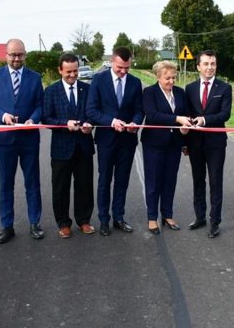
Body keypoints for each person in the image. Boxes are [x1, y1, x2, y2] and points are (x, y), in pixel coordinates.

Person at [0, 38, 45, 244]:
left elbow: (40, 105)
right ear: (6, 55)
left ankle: (35, 223)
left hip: (29, 139)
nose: (16, 58)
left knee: (32, 182)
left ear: (25, 54)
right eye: (12, 55)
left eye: (20, 54)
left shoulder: (35, 78)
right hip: (5, 139)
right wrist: (2, 116)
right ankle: (6, 226)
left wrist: (33, 119)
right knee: (6, 183)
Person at [85, 46, 144, 236]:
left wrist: (135, 122)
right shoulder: (99, 80)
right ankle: (104, 220)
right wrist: (111, 122)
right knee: (104, 180)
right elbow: (92, 110)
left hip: (127, 140)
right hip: (106, 140)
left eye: (127, 68)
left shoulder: (135, 83)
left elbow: (139, 109)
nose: (123, 71)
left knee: (122, 181)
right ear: (112, 61)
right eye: (120, 67)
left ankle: (119, 217)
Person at [42, 53, 96, 239]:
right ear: (60, 70)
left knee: (84, 185)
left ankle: (84, 220)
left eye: (75, 71)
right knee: (60, 187)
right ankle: (63, 223)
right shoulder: (51, 91)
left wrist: (89, 125)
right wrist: (65, 123)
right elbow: (47, 119)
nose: (73, 75)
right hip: (61, 148)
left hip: (84, 146)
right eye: (69, 72)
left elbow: (92, 113)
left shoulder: (87, 89)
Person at [184, 50, 232, 238]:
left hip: (216, 143)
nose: (210, 67)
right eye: (206, 64)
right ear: (198, 66)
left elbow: (225, 114)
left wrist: (205, 120)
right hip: (195, 143)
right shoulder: (189, 88)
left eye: (212, 63)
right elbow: (186, 114)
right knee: (198, 180)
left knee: (215, 181)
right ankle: (199, 217)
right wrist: (185, 143)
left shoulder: (224, 88)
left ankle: (215, 221)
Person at [141, 61, 192, 235]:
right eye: (167, 78)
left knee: (170, 180)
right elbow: (153, 115)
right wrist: (177, 119)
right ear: (158, 77)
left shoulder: (180, 92)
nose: (171, 81)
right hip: (153, 144)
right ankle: (152, 217)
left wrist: (185, 137)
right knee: (153, 182)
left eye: (173, 77)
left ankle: (167, 215)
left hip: (174, 144)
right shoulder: (149, 92)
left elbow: (186, 114)